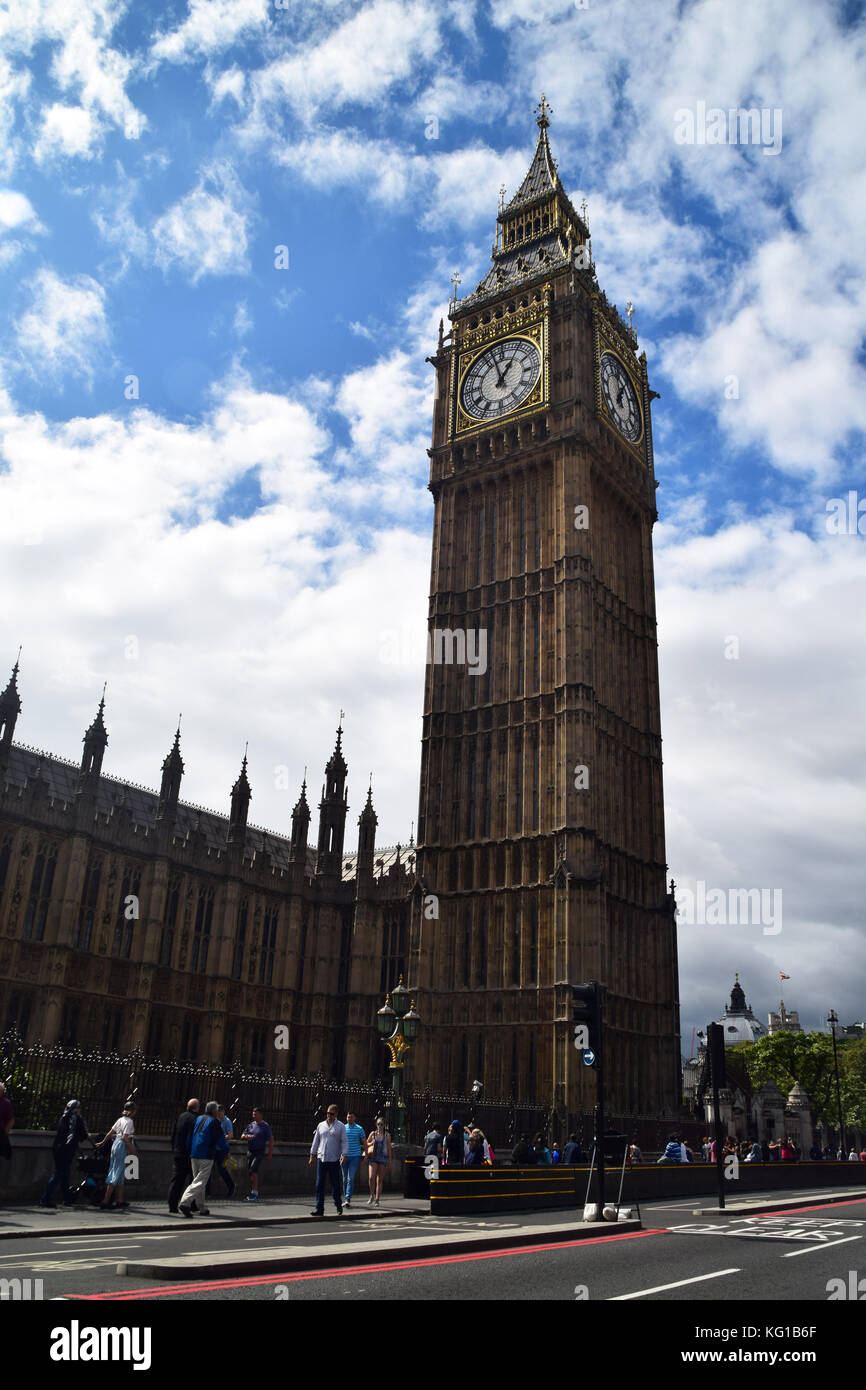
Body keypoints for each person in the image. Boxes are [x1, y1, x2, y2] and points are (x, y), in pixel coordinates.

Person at [179, 1101, 228, 1218]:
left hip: (194, 1153)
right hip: (206, 1154)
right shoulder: (215, 1122)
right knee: (200, 1181)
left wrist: (189, 1149)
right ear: (215, 1111)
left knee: (198, 1180)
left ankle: (202, 1207)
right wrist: (225, 1151)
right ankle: (185, 1202)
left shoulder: (199, 1118)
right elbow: (220, 1140)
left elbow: (191, 1135)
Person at [39, 1100, 93, 1208]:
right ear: (77, 1108)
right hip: (68, 1148)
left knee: (64, 1173)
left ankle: (66, 1198)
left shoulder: (63, 1117)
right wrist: (88, 1136)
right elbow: (82, 1134)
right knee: (59, 1173)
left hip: (57, 1147)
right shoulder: (77, 1118)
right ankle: (46, 1198)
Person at [96, 1102, 137, 1209]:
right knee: (116, 1172)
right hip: (122, 1146)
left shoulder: (120, 1119)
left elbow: (110, 1133)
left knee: (119, 1173)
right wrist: (132, 1150)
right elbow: (125, 1137)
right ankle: (105, 1201)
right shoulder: (129, 1122)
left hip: (115, 1144)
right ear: (132, 1111)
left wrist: (102, 1142)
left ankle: (119, 1200)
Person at [309, 1103, 348, 1216]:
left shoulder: (340, 1126)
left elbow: (344, 1141)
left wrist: (344, 1154)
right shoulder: (321, 1125)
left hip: (334, 1160)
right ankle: (319, 1208)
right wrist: (312, 1155)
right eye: (327, 1113)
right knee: (319, 1184)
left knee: (335, 1185)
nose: (328, 1115)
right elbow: (316, 1140)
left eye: (331, 1114)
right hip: (322, 1159)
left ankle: (338, 1204)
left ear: (336, 1114)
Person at [168, 1098, 200, 1214]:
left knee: (177, 1180)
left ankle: (172, 1205)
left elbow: (174, 1134)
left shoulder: (180, 1116)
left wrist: (174, 1149)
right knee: (193, 1181)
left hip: (178, 1152)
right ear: (197, 1108)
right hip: (189, 1154)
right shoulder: (195, 1119)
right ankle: (191, 1204)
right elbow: (194, 1138)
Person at [241, 1106, 274, 1201]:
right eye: (253, 1114)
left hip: (259, 1151)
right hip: (250, 1151)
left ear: (260, 1115)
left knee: (253, 1169)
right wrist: (247, 1136)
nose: (253, 1116)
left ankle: (254, 1192)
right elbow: (242, 1135)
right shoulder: (251, 1125)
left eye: (255, 1114)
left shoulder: (265, 1126)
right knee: (250, 1172)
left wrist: (270, 1153)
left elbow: (271, 1140)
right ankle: (253, 1190)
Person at [206, 1104, 236, 1200]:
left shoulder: (227, 1121)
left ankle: (231, 1186)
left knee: (222, 1169)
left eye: (220, 1112)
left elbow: (230, 1135)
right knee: (208, 1169)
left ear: (223, 1112)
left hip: (222, 1149)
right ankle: (207, 1192)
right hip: (214, 1148)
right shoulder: (214, 1120)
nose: (219, 1114)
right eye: (217, 1112)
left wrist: (220, 1137)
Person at [342, 1110, 367, 1207]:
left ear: (354, 1118)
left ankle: (348, 1198)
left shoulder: (359, 1129)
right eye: (348, 1117)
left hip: (355, 1156)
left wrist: (366, 1155)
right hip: (344, 1156)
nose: (349, 1119)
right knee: (344, 1179)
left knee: (350, 1178)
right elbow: (340, 1142)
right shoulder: (343, 1128)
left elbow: (364, 1142)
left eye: (351, 1117)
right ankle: (345, 1198)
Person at [366, 1115, 391, 1206]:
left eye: (381, 1124)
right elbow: (366, 1143)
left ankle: (377, 1199)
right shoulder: (373, 1134)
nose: (380, 1126)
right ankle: (371, 1195)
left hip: (383, 1157)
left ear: (384, 1125)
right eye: (378, 1124)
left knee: (379, 1179)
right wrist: (371, 1143)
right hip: (373, 1157)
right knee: (371, 1177)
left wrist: (389, 1162)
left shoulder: (387, 1135)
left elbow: (389, 1149)